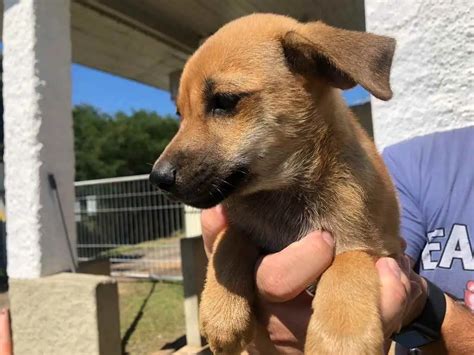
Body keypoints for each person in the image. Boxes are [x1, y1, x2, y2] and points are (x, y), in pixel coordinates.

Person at [201, 126, 474, 354]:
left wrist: (425, 312)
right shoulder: (415, 161)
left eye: (225, 104)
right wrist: (234, 257)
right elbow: (385, 259)